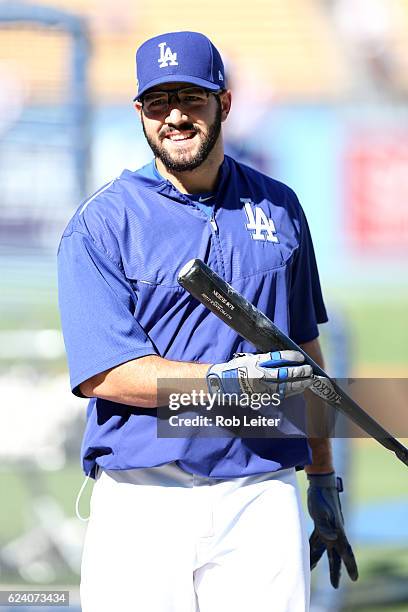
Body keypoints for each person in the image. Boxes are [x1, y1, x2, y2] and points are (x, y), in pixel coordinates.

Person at [58, 31, 358, 612]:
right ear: (140, 112)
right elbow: (106, 376)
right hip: (145, 499)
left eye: (192, 99)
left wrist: (322, 475)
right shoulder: (101, 224)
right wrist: (222, 383)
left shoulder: (280, 207)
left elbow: (304, 354)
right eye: (157, 101)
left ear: (224, 102)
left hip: (261, 491)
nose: (175, 116)